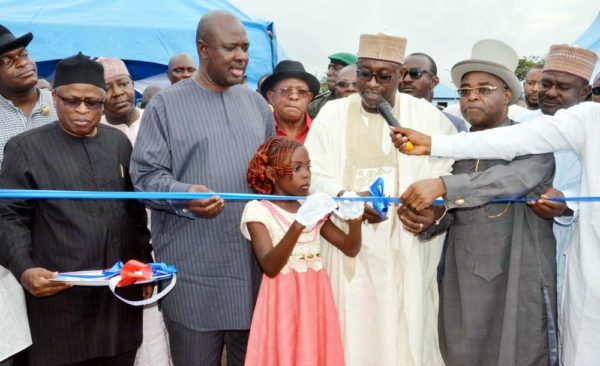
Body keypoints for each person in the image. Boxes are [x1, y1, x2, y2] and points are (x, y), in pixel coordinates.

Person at [393, 100, 600, 366]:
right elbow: (517, 139)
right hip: (592, 277)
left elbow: (522, 171)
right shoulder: (590, 118)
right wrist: (435, 146)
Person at [397, 39, 558, 366]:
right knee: (460, 352)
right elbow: (453, 211)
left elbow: (513, 179)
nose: (471, 96)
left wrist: (443, 185)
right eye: (465, 90)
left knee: (520, 351)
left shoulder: (532, 142)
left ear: (507, 96)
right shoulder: (457, 146)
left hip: (518, 273)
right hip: (463, 279)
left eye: (484, 89)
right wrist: (431, 219)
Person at [130, 10, 274, 365]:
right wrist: (183, 196)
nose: (241, 56)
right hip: (194, 272)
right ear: (204, 49)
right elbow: (145, 177)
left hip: (252, 271)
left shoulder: (257, 105)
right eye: (231, 48)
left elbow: (271, 175)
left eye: (245, 47)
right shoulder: (165, 104)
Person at [304, 32, 456, 366]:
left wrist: (434, 209)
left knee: (403, 338)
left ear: (401, 76)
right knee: (350, 337)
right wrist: (346, 199)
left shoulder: (430, 120)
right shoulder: (331, 115)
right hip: (348, 245)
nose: (371, 84)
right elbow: (310, 175)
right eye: (364, 74)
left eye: (383, 76)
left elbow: (450, 177)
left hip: (405, 247)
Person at [0, 52, 151, 366]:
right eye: (72, 101)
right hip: (57, 303)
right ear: (54, 98)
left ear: (104, 100)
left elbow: (134, 214)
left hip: (117, 300)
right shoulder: (24, 148)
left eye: (92, 102)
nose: (82, 110)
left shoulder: (118, 144)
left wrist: (144, 267)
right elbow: (8, 216)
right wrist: (25, 269)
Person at [241, 136, 363, 365]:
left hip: (315, 294)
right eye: (296, 168)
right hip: (282, 298)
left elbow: (350, 248)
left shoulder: (310, 207)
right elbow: (270, 266)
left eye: (308, 167)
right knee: (286, 351)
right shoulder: (257, 210)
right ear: (271, 173)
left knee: (315, 351)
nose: (306, 174)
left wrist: (355, 218)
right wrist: (299, 224)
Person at [96, 57, 173, 366]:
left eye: (123, 83)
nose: (117, 93)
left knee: (160, 328)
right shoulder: (94, 132)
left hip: (164, 236)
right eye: (107, 87)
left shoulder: (156, 122)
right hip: (115, 247)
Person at [514, 45, 596, 318]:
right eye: (545, 84)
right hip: (522, 240)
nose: (549, 92)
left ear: (583, 92)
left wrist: (567, 203)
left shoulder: (593, 130)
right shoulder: (519, 125)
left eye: (562, 87)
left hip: (574, 242)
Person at [0, 24, 57, 365]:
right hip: (5, 257)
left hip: (61, 246)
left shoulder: (64, 107)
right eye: (9, 60)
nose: (24, 63)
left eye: (24, 55)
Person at [400, 52, 467, 132]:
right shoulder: (385, 119)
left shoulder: (452, 124)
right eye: (402, 74)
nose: (406, 79)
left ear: (433, 81)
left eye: (415, 73)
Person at [260, 60, 319, 143]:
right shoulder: (259, 132)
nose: (294, 96)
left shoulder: (322, 132)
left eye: (302, 92)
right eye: (285, 90)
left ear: (308, 98)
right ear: (271, 97)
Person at [308, 52, 357, 118]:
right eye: (329, 67)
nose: (329, 73)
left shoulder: (367, 103)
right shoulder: (316, 105)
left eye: (337, 68)